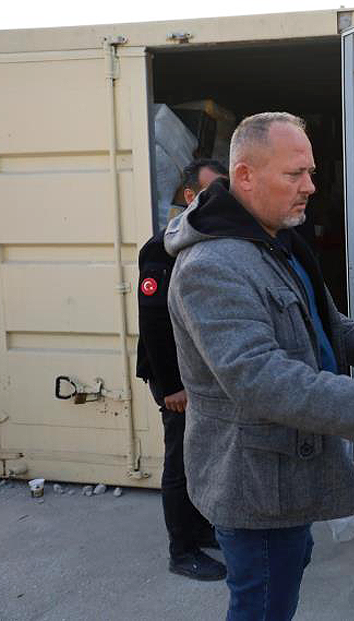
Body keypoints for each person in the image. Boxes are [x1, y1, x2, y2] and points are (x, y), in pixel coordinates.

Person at [164, 112, 354, 620]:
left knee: (284, 574)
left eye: (311, 173)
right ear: (245, 177)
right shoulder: (212, 267)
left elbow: (311, 313)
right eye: (294, 174)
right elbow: (261, 381)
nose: (310, 187)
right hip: (255, 484)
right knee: (262, 603)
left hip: (285, 476)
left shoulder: (274, 239)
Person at [136, 158, 228, 581]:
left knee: (199, 455)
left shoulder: (205, 242)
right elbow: (153, 322)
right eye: (211, 192)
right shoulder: (161, 249)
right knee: (180, 460)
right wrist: (172, 386)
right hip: (172, 376)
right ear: (190, 197)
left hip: (197, 373)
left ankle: (201, 528)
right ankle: (182, 550)